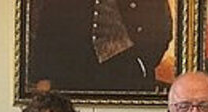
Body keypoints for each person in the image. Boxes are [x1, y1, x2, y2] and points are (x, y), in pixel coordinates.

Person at [27, 0, 172, 92]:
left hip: (126, 69)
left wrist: (142, 64)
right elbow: (47, 30)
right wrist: (44, 76)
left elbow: (161, 29)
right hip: (72, 69)